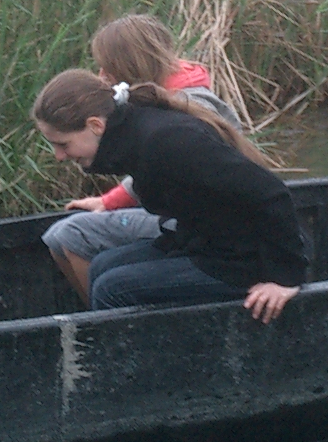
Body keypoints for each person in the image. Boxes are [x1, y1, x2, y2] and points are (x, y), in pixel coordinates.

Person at [31, 70, 304, 322]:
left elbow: (271, 193)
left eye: (63, 144)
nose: (59, 156)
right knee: (102, 266)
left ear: (95, 125)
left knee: (111, 289)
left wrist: (285, 279)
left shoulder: (167, 142)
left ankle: (131, 371)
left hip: (246, 260)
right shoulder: (132, 136)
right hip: (203, 243)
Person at [41, 14, 239, 304]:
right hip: (179, 221)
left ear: (127, 67)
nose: (101, 75)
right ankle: (99, 324)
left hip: (198, 230)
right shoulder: (155, 106)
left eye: (106, 67)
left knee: (72, 238)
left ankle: (105, 325)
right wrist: (108, 202)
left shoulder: (188, 111)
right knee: (62, 238)